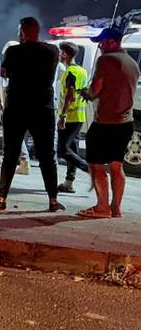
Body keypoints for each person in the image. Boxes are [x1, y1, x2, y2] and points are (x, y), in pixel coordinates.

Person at [0, 17, 64, 212]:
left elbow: (4, 72)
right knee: (47, 155)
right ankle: (53, 201)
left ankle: (1, 199)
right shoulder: (52, 51)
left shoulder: (14, 51)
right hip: (43, 108)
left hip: (17, 107)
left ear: (22, 32)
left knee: (10, 154)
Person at [77, 27, 140, 218]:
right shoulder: (132, 63)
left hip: (105, 122)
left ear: (113, 42)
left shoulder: (106, 60)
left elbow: (95, 90)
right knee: (116, 166)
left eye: (102, 42)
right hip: (125, 123)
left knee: (96, 165)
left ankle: (102, 207)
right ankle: (116, 208)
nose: (100, 46)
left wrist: (86, 93)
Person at [55, 42, 89, 193]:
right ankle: (69, 182)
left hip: (70, 117)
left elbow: (70, 95)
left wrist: (63, 115)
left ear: (64, 54)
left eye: (60, 52)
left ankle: (89, 169)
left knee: (62, 150)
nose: (58, 55)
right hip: (79, 116)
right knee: (72, 149)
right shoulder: (83, 71)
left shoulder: (70, 72)